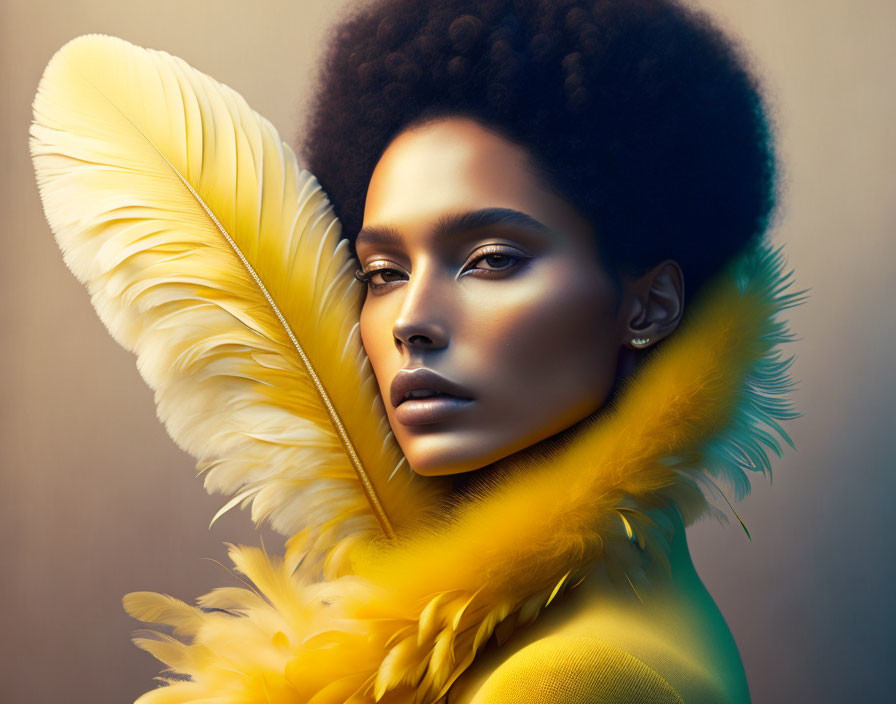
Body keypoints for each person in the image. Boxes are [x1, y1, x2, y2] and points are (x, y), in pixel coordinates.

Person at [29, 1, 804, 702]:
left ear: (649, 303)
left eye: (492, 258)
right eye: (384, 273)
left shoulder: (566, 680)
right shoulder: (591, 621)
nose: (412, 321)